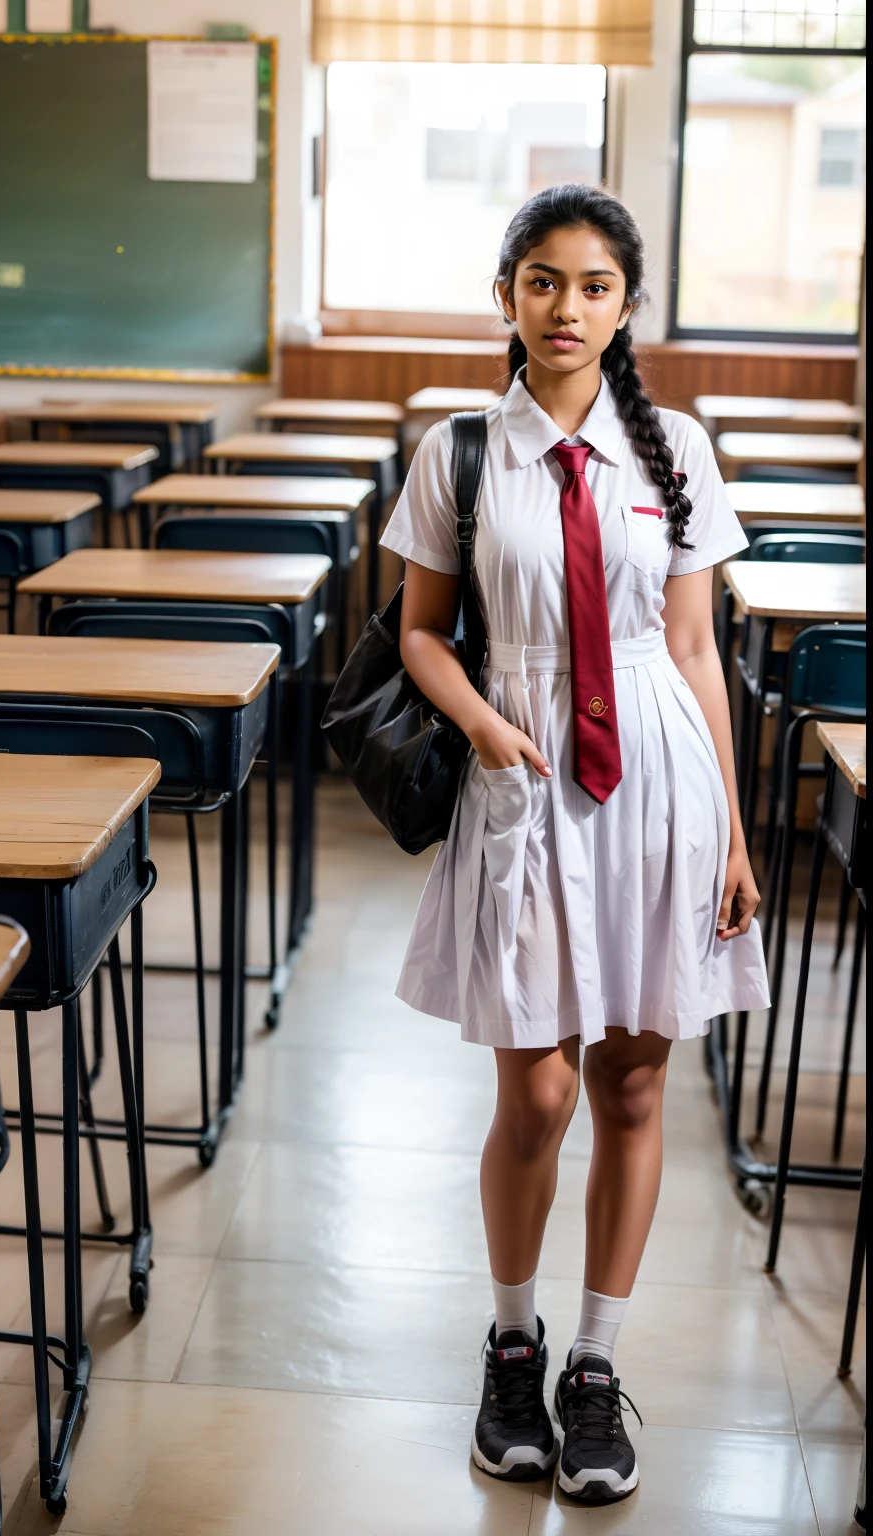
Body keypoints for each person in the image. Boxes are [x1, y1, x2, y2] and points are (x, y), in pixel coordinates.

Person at [378, 184, 770, 1503]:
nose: (566, 306)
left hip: (658, 776)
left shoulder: (679, 452)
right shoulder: (462, 454)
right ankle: (510, 1345)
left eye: (594, 284)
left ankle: (594, 1369)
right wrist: (486, 724)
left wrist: (731, 826)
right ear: (507, 295)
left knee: (635, 1086)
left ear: (625, 305)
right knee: (537, 1090)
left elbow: (697, 648)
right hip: (526, 771)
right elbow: (420, 627)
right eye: (542, 280)